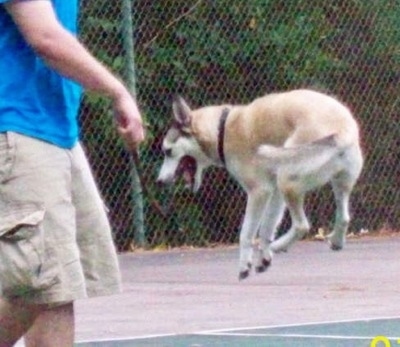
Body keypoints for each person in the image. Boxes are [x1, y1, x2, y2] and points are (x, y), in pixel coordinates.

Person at [0, 0, 145, 345]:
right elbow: (45, 38)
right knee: (33, 287)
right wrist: (117, 90)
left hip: (57, 133)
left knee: (58, 286)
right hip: (18, 129)